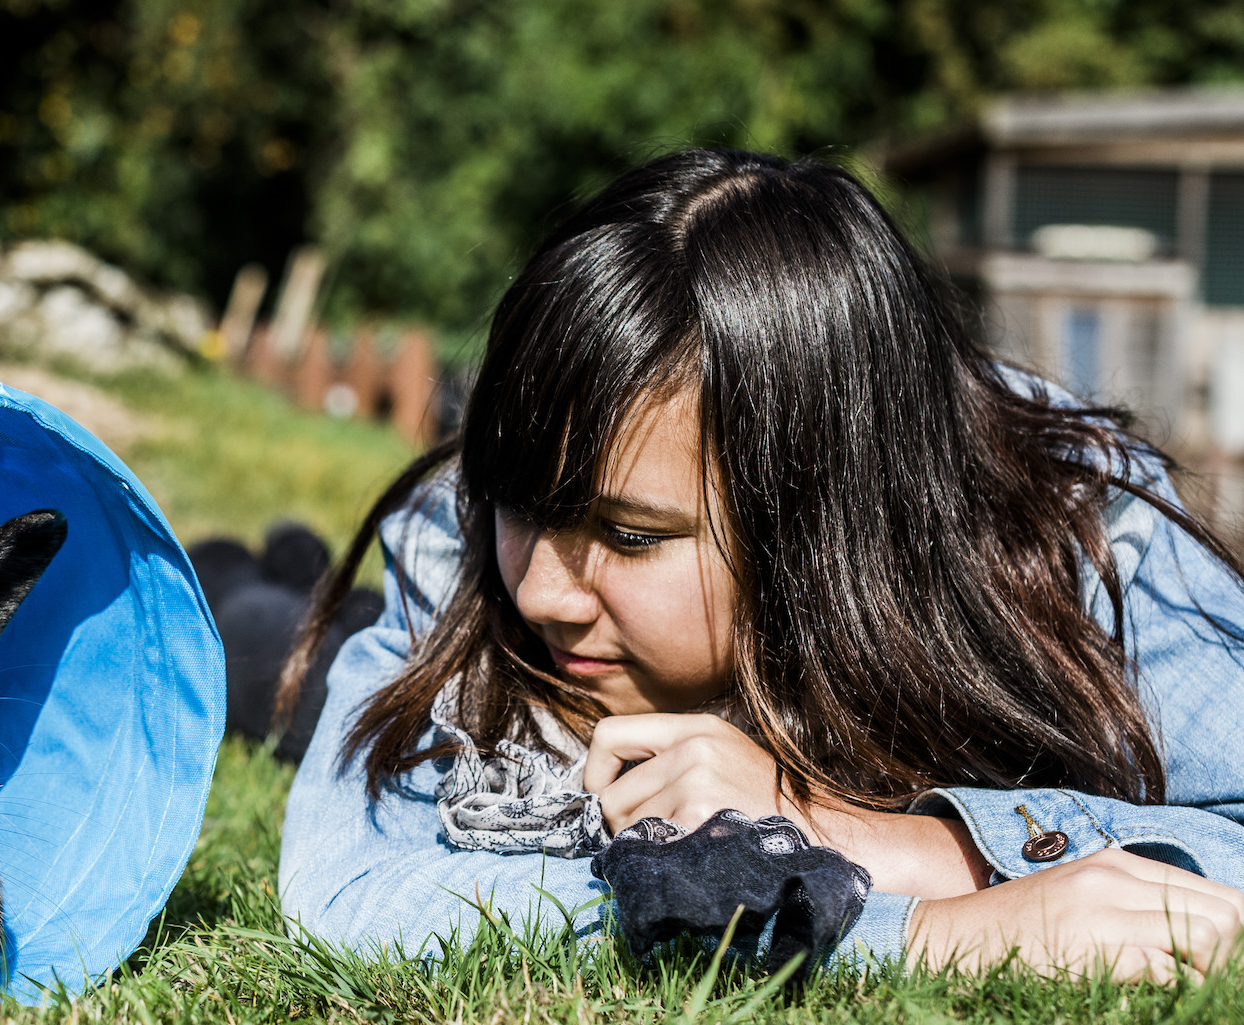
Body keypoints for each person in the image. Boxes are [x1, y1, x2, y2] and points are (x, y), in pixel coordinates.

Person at [277, 148, 1244, 982]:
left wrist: (864, 833)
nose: (538, 592)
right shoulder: (461, 540)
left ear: (826, 523)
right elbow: (356, 886)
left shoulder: (1077, 524)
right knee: (261, 637)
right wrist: (920, 929)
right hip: (307, 641)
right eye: (523, 509)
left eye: (631, 536)